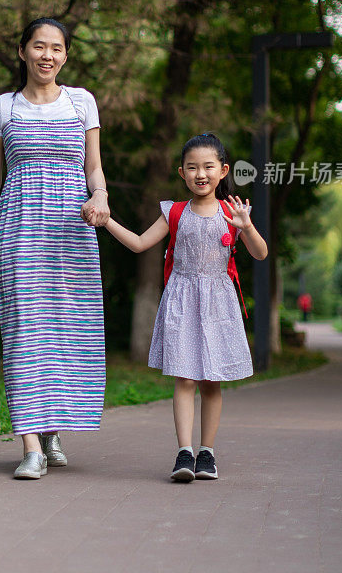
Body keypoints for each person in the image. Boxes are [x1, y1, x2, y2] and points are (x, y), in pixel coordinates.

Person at [0, 17, 110, 480]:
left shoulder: (81, 102)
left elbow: (94, 169)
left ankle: (52, 428)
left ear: (65, 55)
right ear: (23, 51)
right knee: (25, 330)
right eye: (39, 46)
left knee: (66, 327)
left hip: (72, 229)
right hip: (18, 228)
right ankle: (30, 444)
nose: (47, 55)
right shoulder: (2, 108)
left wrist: (101, 197)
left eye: (57, 48)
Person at [96, 133, 267, 482]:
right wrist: (107, 221)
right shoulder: (173, 212)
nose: (200, 173)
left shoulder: (232, 212)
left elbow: (260, 253)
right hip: (182, 300)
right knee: (185, 377)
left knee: (210, 381)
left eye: (208, 166)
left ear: (223, 171)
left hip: (218, 304)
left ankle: (208, 453)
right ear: (181, 173)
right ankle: (184, 454)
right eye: (192, 167)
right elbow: (141, 244)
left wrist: (246, 228)